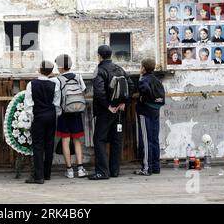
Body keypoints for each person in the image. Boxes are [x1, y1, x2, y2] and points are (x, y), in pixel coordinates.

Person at [89, 45, 134, 180]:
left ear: (99, 56)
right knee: (116, 140)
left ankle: (102, 172)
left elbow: (99, 92)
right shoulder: (119, 69)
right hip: (119, 111)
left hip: (105, 111)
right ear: (110, 55)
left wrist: (108, 105)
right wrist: (123, 103)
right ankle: (114, 171)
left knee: (99, 139)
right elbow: (131, 85)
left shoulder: (100, 70)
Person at [24, 60, 61, 184]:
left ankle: (38, 176)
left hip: (38, 117)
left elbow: (28, 104)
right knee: (49, 145)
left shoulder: (31, 84)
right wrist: (55, 115)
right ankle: (47, 174)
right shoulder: (54, 84)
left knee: (38, 146)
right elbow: (57, 104)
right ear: (51, 72)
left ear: (40, 69)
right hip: (51, 116)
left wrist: (31, 117)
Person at [52, 54, 88, 179]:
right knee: (77, 141)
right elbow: (83, 90)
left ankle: (69, 170)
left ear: (61, 67)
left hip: (64, 113)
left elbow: (56, 99)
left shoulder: (57, 80)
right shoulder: (78, 77)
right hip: (77, 112)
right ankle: (81, 168)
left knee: (65, 141)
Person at [134, 58, 165, 176]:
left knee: (146, 141)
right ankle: (156, 167)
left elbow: (145, 89)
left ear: (143, 68)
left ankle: (146, 168)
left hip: (145, 111)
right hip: (155, 110)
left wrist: (143, 97)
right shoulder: (157, 79)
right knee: (154, 139)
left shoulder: (144, 79)